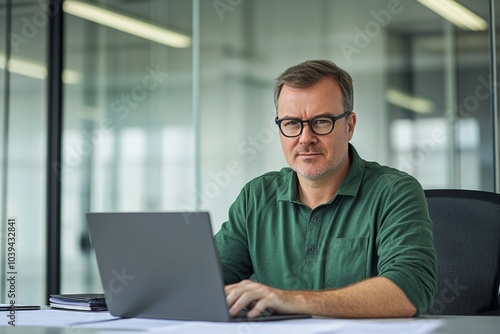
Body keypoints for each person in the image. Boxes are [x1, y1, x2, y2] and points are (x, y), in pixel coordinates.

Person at [214, 60, 437, 318]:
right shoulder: (256, 197)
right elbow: (204, 283)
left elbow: (410, 290)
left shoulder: (395, 193)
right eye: (291, 123)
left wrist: (289, 300)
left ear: (349, 126)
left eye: (321, 121)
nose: (305, 138)